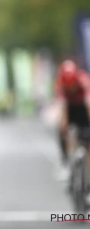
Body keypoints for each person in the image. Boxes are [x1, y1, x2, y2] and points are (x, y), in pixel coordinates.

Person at [54, 59, 90, 195]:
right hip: (70, 108)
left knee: (88, 142)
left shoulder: (84, 81)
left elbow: (88, 107)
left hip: (83, 108)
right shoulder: (60, 85)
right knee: (61, 131)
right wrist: (64, 128)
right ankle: (67, 162)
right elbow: (63, 110)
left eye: (72, 85)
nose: (70, 88)